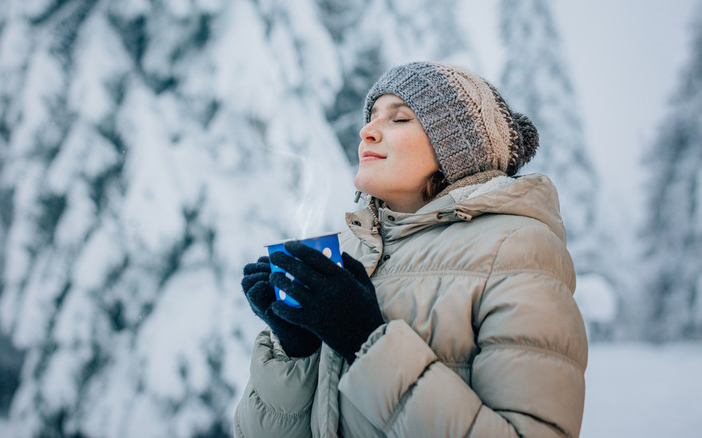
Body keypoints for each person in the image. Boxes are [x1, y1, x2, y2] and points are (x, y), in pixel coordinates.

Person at [234, 61, 588, 437]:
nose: (366, 130)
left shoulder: (516, 249)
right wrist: (295, 351)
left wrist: (367, 341)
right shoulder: (352, 250)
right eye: (370, 117)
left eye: (399, 119)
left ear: (457, 148)